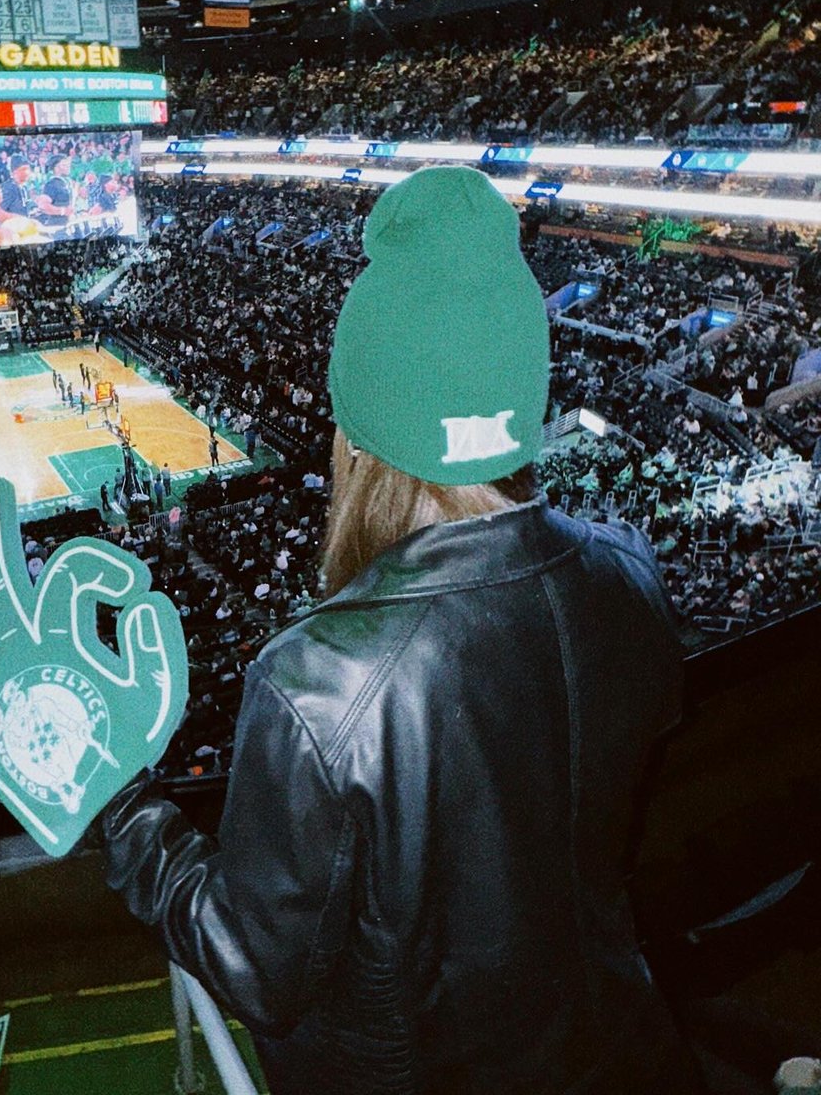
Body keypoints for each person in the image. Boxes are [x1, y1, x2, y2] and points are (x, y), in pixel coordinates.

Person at [103, 168, 700, 1095]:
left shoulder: (319, 682)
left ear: (361, 432)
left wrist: (118, 801)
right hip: (624, 1047)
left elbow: (252, 966)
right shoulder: (628, 577)